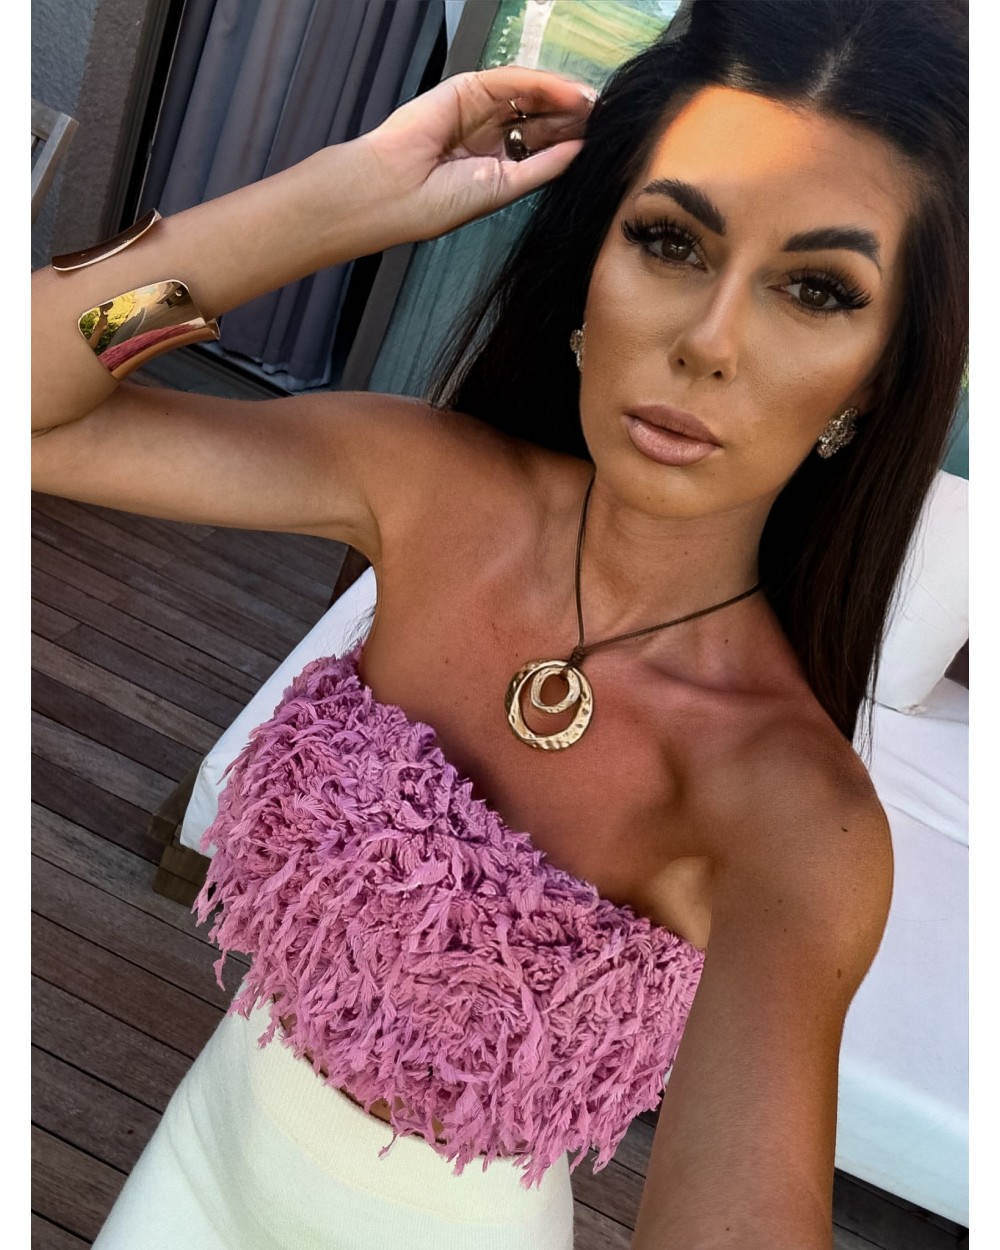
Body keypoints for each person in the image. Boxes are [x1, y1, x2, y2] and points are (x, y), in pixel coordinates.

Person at [31, 0, 968, 1246]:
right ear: (593, 265)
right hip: (195, 1167)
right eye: (670, 241)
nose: (709, 341)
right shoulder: (424, 484)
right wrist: (328, 203)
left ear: (877, 377)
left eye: (814, 288)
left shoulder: (792, 816)